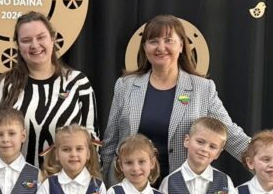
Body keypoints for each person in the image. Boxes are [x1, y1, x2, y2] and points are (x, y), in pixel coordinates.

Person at [100, 15, 250, 184]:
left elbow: (230, 133)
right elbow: (111, 141)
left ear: (181, 46)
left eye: (168, 40)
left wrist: (265, 160)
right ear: (144, 47)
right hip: (129, 184)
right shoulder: (125, 85)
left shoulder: (202, 88)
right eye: (153, 41)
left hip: (179, 186)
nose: (161, 47)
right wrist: (102, 183)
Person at [0, 12, 98, 167]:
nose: (34, 45)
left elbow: (92, 139)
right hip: (15, 181)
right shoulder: (5, 85)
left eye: (41, 37)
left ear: (52, 39)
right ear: (18, 46)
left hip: (64, 180)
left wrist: (89, 179)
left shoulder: (78, 83)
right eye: (26, 40)